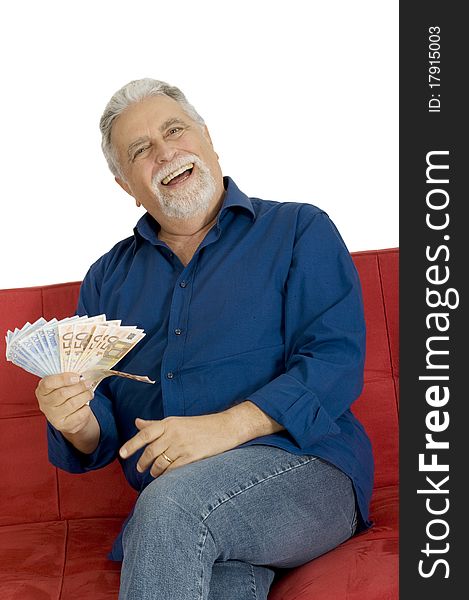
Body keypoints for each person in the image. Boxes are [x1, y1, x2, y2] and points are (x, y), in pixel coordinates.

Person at [35, 78, 374, 600]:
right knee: (215, 580)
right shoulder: (107, 279)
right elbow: (97, 429)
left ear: (208, 139)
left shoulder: (298, 228)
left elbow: (336, 360)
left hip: (308, 470)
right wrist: (75, 418)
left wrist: (224, 428)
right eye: (141, 150)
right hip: (181, 508)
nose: (165, 152)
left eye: (175, 130)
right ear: (126, 184)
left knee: (173, 507)